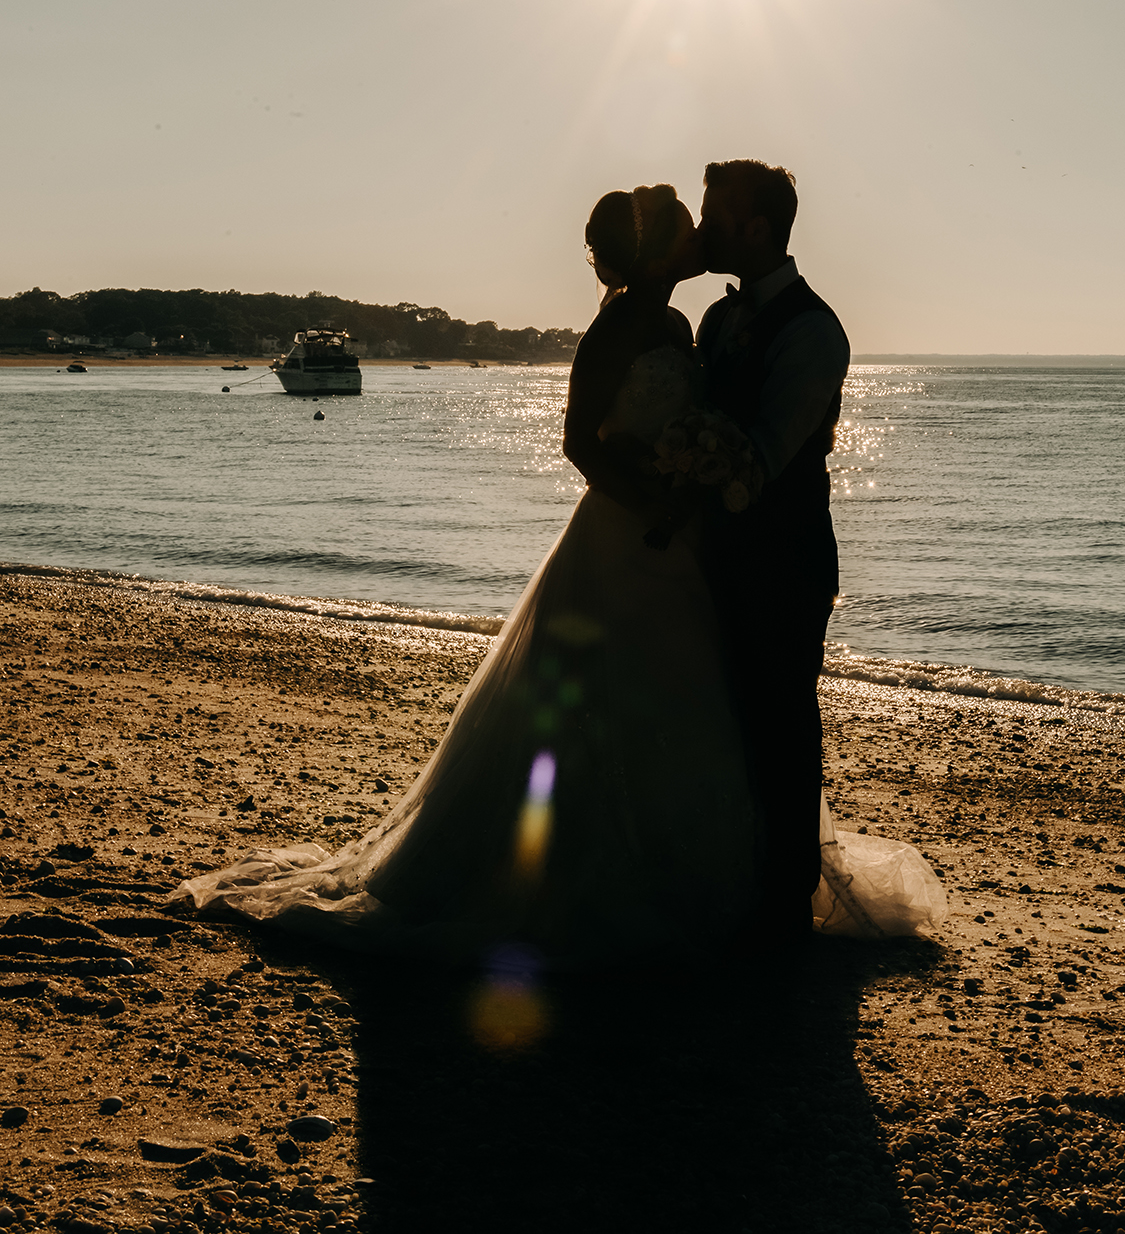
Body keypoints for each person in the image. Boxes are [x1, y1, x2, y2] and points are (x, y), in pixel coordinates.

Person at [170, 181, 945, 963]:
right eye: (687, 226)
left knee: (711, 718)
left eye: (706, 220)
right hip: (628, 543)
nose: (699, 236)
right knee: (609, 716)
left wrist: (688, 480)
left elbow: (754, 432)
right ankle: (611, 885)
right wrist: (655, 496)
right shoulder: (626, 328)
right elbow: (582, 442)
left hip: (706, 556)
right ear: (655, 251)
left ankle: (738, 893)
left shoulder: (701, 322)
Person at [694, 160, 851, 948]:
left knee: (782, 726)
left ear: (756, 229)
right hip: (706, 560)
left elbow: (764, 457)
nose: (699, 229)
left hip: (783, 563)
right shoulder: (716, 323)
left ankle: (786, 902)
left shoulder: (814, 331)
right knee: (718, 723)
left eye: (713, 217)